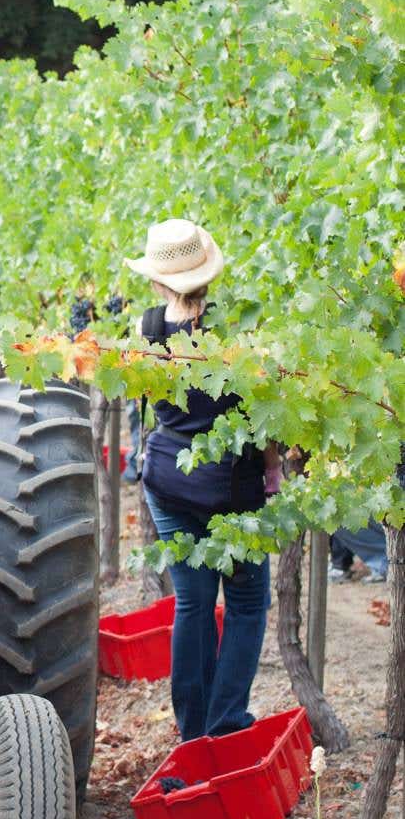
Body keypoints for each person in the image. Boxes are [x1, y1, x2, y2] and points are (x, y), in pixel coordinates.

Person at [127, 218, 280, 742]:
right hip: (228, 490)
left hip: (167, 481)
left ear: (156, 280)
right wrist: (276, 467)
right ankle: (225, 723)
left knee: (192, 603)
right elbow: (261, 420)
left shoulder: (147, 328)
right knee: (245, 604)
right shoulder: (230, 334)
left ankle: (193, 732)